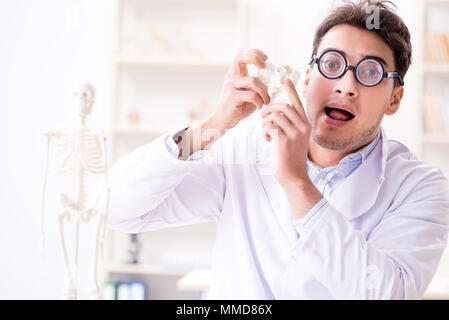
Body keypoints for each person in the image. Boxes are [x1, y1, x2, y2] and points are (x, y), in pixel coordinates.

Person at [102, 0, 449, 299]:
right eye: (332, 63)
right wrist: (211, 127)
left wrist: (297, 183)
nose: (346, 86)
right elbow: (116, 208)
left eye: (370, 72)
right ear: (308, 77)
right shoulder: (242, 150)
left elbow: (386, 293)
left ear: (395, 99)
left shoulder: (421, 188)